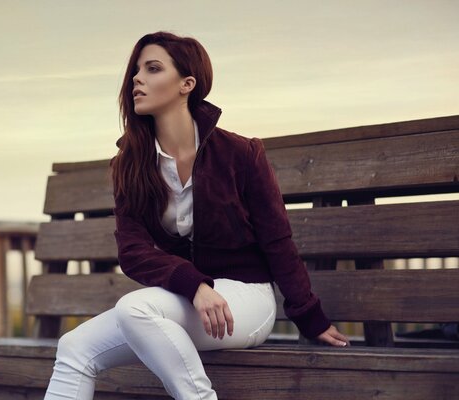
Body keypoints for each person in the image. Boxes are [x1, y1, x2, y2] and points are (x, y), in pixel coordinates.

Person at [43, 30, 350, 400]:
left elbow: (277, 241)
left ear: (187, 84)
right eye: (136, 70)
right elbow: (133, 251)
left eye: (153, 68)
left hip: (247, 301)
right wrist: (196, 286)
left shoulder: (240, 153)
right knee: (75, 348)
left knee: (135, 308)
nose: (137, 79)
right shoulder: (130, 165)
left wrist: (310, 318)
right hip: (188, 300)